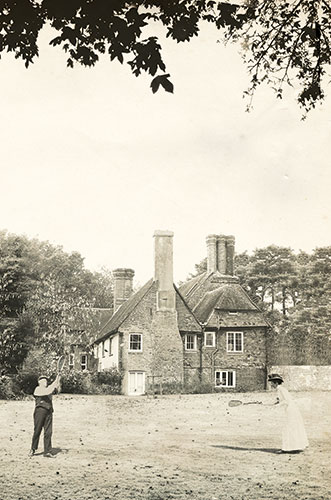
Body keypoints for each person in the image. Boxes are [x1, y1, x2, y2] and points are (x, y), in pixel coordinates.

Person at [268, 373, 309, 453]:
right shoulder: (281, 389)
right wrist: (277, 402)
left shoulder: (281, 389)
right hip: (291, 410)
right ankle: (295, 446)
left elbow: (287, 401)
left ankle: (287, 449)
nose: (271, 385)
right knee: (292, 427)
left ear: (276, 383)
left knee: (289, 428)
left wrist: (277, 406)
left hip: (291, 410)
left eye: (272, 383)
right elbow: (283, 400)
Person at [29, 373, 61, 458]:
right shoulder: (38, 389)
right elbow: (49, 391)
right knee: (37, 431)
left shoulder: (49, 389)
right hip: (40, 411)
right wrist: (55, 380)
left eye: (46, 380)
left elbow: (58, 390)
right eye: (43, 380)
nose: (45, 382)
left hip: (49, 412)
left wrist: (58, 379)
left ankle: (47, 451)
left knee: (48, 432)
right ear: (39, 382)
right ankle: (33, 449)